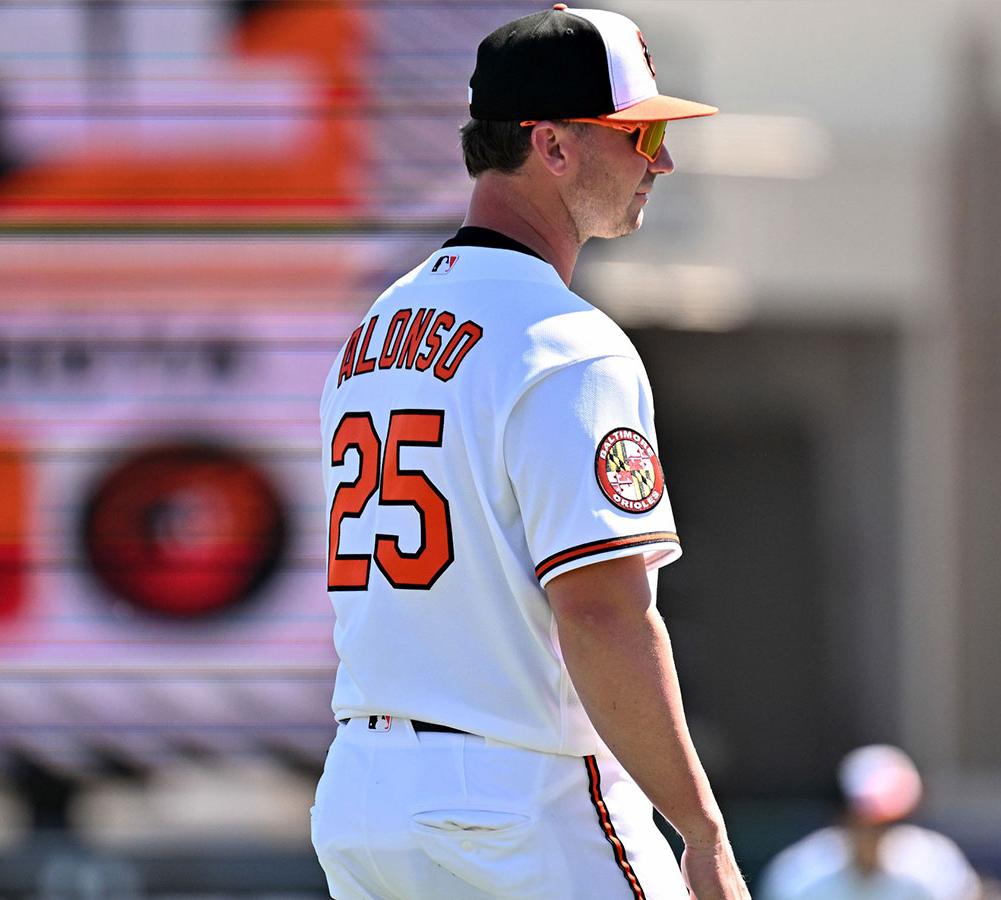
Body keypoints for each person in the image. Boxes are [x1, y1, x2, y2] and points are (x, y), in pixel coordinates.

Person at [310, 5, 747, 899]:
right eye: (640, 132)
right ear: (551, 146)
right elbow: (601, 613)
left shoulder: (374, 328)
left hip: (364, 795)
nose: (659, 160)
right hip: (517, 801)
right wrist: (700, 830)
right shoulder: (567, 343)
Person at [755, 745, 983, 900]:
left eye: (891, 821)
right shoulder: (798, 878)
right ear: (845, 815)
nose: (880, 832)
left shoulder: (937, 866)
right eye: (871, 820)